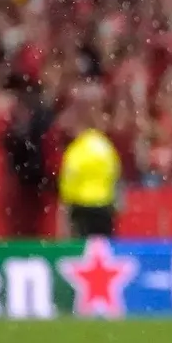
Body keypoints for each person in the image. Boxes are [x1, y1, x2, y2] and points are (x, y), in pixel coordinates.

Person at [58, 93, 122, 239]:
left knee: (82, 252)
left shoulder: (76, 149)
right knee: (103, 248)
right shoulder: (106, 146)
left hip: (82, 208)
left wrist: (64, 218)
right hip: (104, 208)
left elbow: (68, 184)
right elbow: (116, 175)